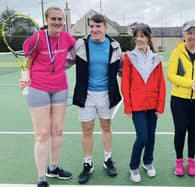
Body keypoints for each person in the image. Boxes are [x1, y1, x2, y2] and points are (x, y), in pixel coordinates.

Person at [20, 6, 76, 187]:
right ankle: (41, 177)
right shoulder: (35, 40)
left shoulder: (67, 38)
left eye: (60, 19)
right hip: (38, 88)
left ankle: (54, 168)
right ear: (46, 20)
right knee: (43, 134)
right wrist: (24, 77)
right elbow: (26, 64)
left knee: (57, 131)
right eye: (54, 19)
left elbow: (80, 51)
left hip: (60, 88)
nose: (58, 22)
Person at [66, 14, 122, 184]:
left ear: (105, 28)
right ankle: (88, 164)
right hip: (86, 95)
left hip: (107, 94)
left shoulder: (115, 46)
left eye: (98, 26)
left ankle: (107, 160)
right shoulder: (80, 45)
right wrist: (43, 69)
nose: (95, 30)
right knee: (87, 130)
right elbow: (65, 62)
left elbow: (122, 69)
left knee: (106, 127)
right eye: (91, 26)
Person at [121, 23, 166, 183]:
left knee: (151, 137)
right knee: (142, 137)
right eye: (137, 36)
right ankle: (133, 166)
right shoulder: (129, 57)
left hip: (153, 105)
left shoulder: (156, 58)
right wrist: (128, 106)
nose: (139, 39)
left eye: (142, 36)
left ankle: (148, 163)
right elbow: (125, 83)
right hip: (137, 105)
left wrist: (160, 106)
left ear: (148, 38)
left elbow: (161, 83)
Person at [167, 21, 195, 177]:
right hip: (179, 99)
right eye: (189, 33)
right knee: (180, 131)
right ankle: (179, 161)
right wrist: (190, 83)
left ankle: (191, 160)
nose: (192, 36)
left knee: (194, 131)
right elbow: (171, 75)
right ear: (184, 35)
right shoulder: (176, 52)